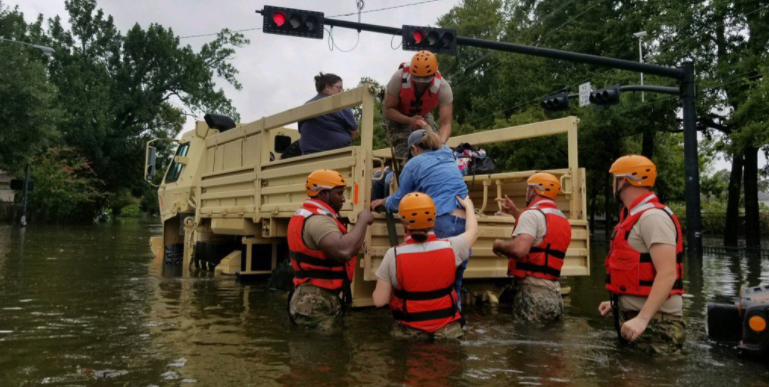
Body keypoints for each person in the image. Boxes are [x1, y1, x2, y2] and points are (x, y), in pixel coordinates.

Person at [370, 129, 470, 305]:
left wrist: (382, 202)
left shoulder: (414, 163)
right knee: (453, 286)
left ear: (414, 148)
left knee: (431, 285)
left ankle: (425, 323)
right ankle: (454, 323)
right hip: (464, 221)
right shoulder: (448, 154)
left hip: (442, 220)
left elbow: (399, 201)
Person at [597, 155, 686, 354]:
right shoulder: (635, 216)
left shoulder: (653, 218)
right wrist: (619, 301)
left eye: (614, 178)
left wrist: (643, 318)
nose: (612, 184)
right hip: (639, 320)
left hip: (656, 326)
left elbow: (667, 274)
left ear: (625, 180)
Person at [372, 192, 478, 339]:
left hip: (411, 334)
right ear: (434, 220)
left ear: (403, 222)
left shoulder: (393, 255)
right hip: (448, 332)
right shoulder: (452, 247)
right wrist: (469, 207)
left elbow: (379, 301)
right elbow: (473, 231)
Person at [287, 169, 374, 329]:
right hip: (314, 301)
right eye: (339, 193)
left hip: (314, 296)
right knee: (323, 351)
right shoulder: (318, 221)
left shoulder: (311, 214)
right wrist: (363, 220)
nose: (343, 199)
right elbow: (344, 251)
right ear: (324, 194)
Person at [492, 173, 572, 323]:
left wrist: (498, 245)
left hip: (533, 294)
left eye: (528, 188)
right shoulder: (561, 218)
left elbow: (519, 249)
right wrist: (516, 213)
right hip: (554, 295)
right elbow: (540, 236)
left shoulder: (531, 215)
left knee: (529, 343)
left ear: (534, 190)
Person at [384, 50, 453, 159]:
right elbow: (388, 110)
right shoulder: (399, 78)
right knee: (405, 148)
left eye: (425, 80)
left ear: (433, 74)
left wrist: (441, 144)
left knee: (433, 143)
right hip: (397, 114)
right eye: (417, 80)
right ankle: (404, 171)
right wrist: (409, 120)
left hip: (422, 114)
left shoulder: (443, 88)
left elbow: (446, 124)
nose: (420, 84)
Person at [298, 73, 359, 155]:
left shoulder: (305, 106)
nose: (341, 92)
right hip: (337, 155)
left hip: (308, 156)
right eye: (339, 88)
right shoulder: (339, 104)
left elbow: (301, 130)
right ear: (327, 87)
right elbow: (355, 131)